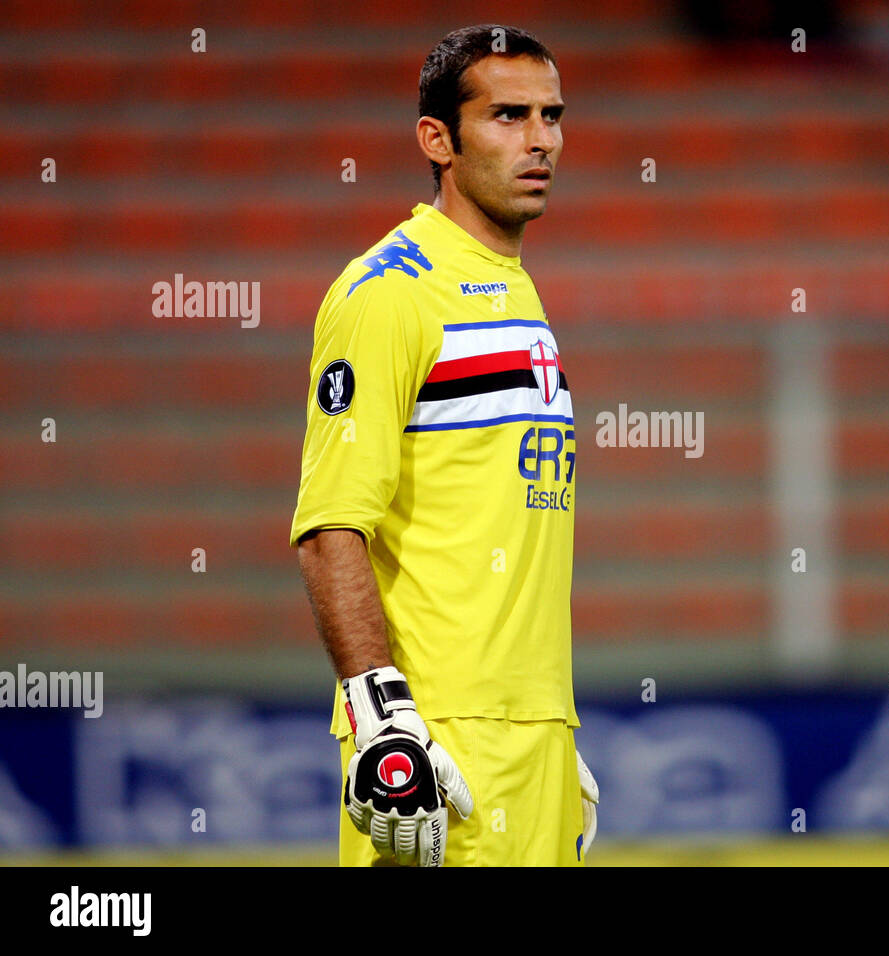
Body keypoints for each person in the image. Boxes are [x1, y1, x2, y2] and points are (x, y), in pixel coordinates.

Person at [290, 23, 596, 867]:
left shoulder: (512, 287)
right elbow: (330, 528)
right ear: (438, 139)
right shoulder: (389, 293)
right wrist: (383, 714)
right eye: (507, 116)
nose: (540, 141)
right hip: (439, 743)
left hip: (530, 733)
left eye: (552, 115)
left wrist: (548, 734)